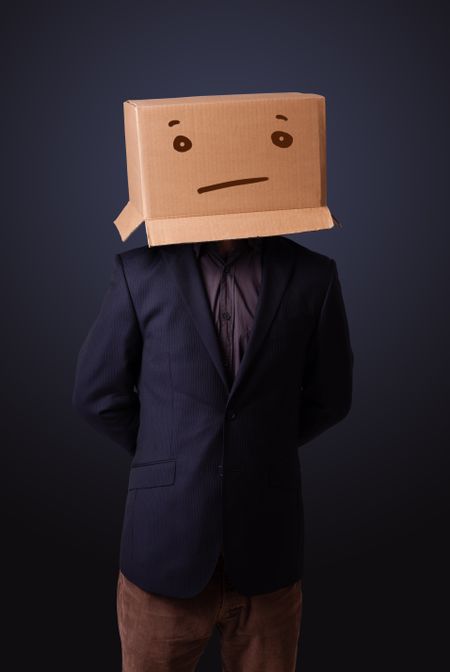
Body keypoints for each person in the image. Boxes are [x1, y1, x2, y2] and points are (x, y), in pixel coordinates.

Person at [72, 233, 354, 671]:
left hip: (268, 556)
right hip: (163, 552)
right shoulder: (140, 271)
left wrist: (259, 446)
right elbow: (97, 394)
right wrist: (164, 452)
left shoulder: (313, 275)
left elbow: (332, 397)